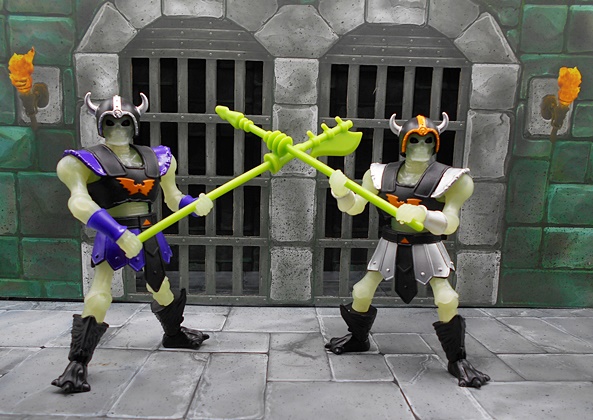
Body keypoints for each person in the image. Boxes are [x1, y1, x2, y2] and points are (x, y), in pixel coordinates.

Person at [52, 92, 213, 393]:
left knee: (161, 287)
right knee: (100, 292)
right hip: (113, 231)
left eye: (125, 122)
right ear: (100, 125)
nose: (118, 128)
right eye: (110, 122)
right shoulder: (80, 162)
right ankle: (77, 362)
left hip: (149, 230)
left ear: (135, 124)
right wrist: (118, 234)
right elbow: (79, 203)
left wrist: (195, 204)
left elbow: (174, 198)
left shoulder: (158, 158)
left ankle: (174, 334)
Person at [325, 113, 490, 388]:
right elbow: (355, 207)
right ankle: (358, 338)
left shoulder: (454, 179)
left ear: (436, 143)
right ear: (403, 142)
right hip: (391, 242)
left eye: (428, 141)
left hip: (428, 244)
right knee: (361, 292)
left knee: (446, 298)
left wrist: (424, 215)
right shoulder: (379, 174)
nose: (421, 147)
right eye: (414, 140)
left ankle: (457, 359)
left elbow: (450, 223)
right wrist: (342, 193)